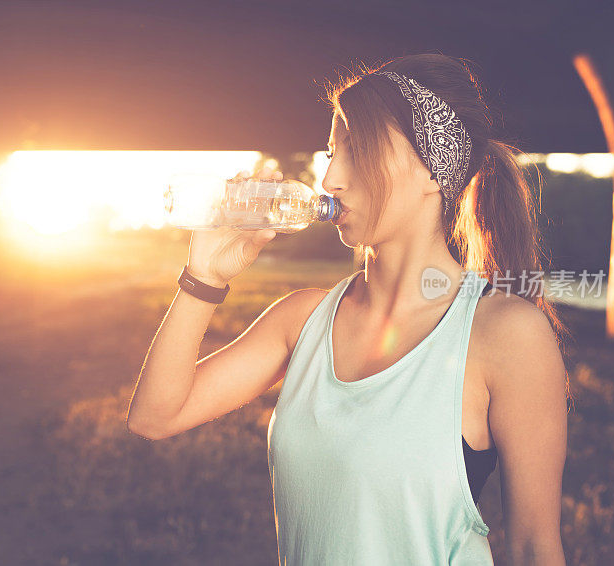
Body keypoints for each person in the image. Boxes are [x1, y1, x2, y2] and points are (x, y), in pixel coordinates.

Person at [126, 53, 572, 565]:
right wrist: (204, 276)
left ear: (432, 169)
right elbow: (154, 418)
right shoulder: (301, 319)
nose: (329, 179)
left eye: (357, 150)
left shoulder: (506, 334)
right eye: (331, 152)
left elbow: (535, 547)